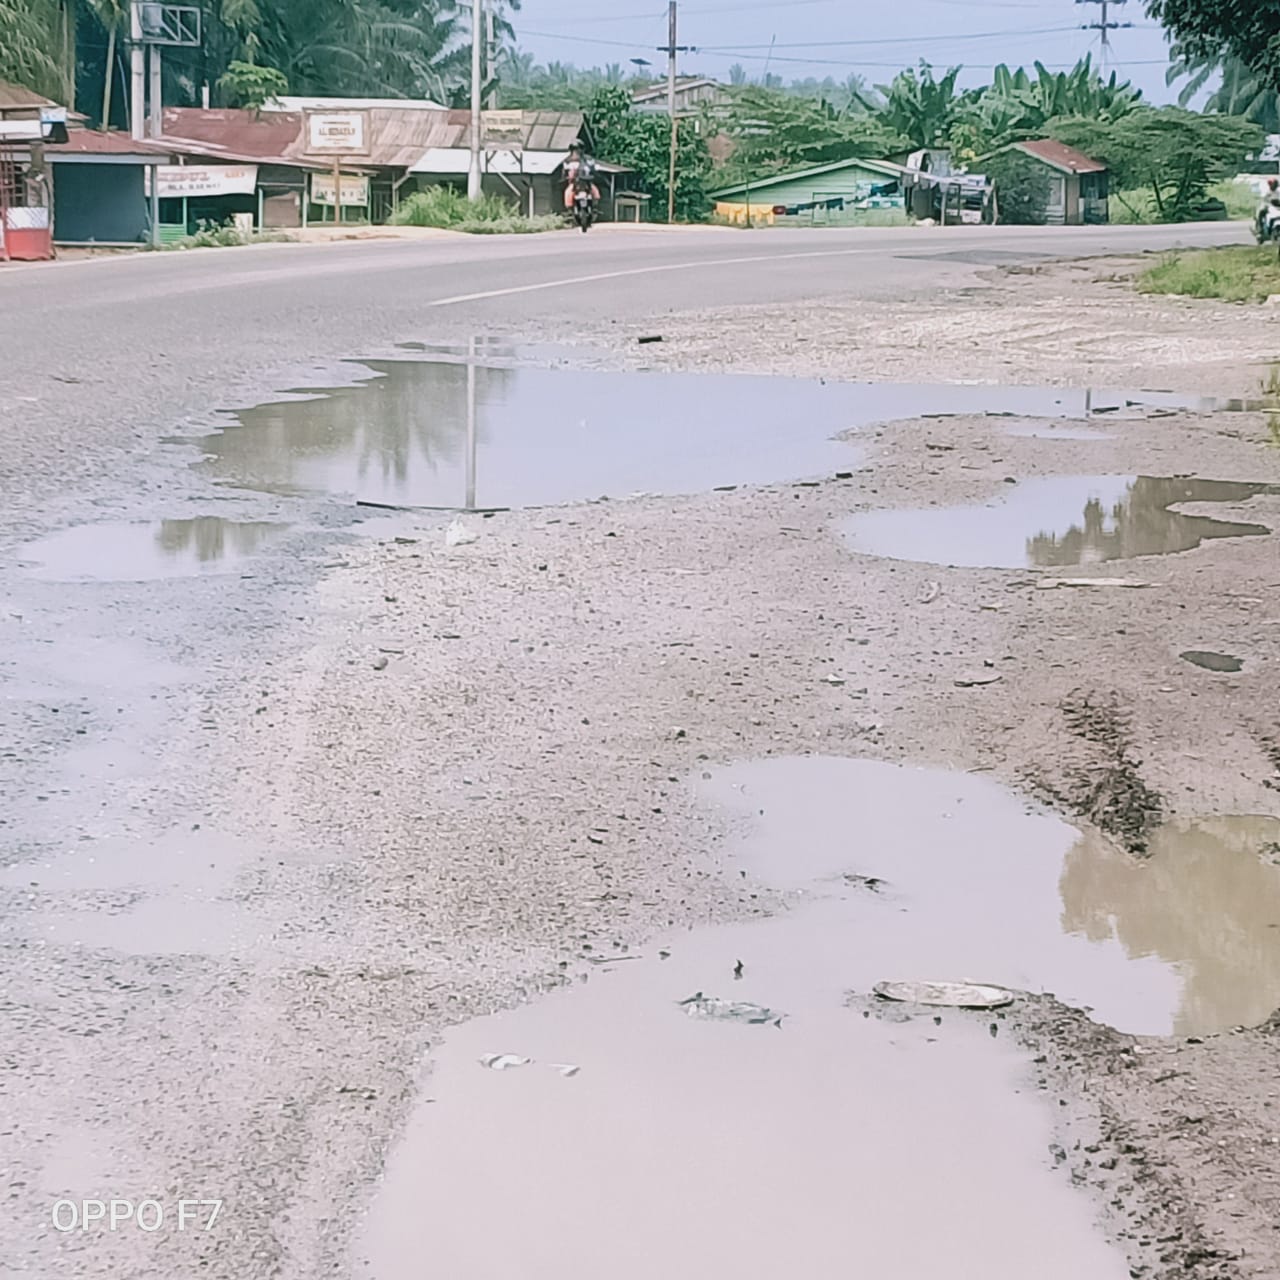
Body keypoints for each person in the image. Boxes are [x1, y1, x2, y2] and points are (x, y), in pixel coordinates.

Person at [563, 143, 600, 211]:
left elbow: (593, 169)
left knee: (595, 192)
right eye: (574, 149)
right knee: (568, 193)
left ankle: (594, 207)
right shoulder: (567, 161)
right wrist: (566, 177)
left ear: (582, 150)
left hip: (587, 182)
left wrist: (594, 174)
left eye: (578, 149)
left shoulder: (588, 159)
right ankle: (570, 210)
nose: (576, 151)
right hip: (575, 183)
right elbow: (565, 172)